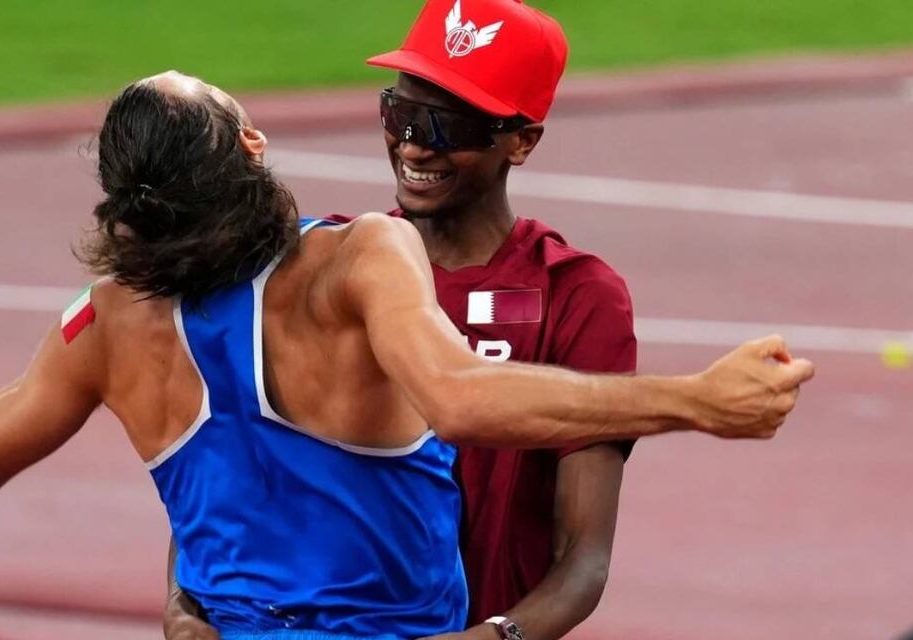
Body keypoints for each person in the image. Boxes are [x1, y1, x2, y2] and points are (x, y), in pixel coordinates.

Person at [0, 71, 813, 640]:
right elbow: (462, 398)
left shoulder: (105, 325)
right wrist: (697, 400)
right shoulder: (360, 259)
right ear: (251, 144)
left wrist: (182, 597)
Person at [164, 2, 667, 639]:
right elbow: (217, 455)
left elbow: (583, 559)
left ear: (521, 140)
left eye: (447, 126)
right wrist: (182, 602)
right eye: (399, 113)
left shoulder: (575, 296)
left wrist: (489, 637)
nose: (411, 143)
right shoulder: (324, 267)